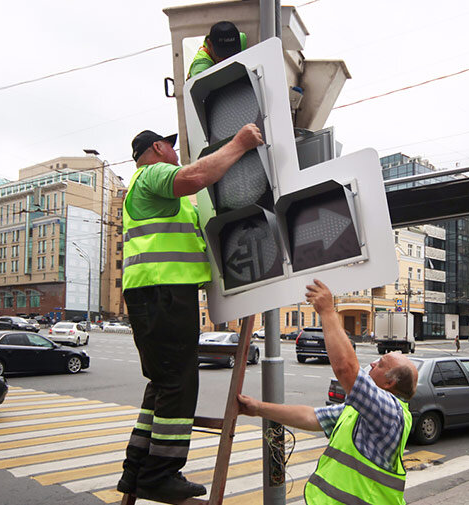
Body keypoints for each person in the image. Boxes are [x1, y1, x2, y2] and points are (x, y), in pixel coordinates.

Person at [117, 124, 263, 501]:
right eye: (171, 147)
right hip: (161, 292)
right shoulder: (152, 175)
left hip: (157, 293)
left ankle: (137, 468)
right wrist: (240, 143)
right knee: (178, 384)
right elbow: (196, 176)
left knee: (163, 384)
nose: (177, 153)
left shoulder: (162, 196)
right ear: (157, 148)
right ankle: (161, 473)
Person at [237, 280, 418, 505]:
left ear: (390, 383)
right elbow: (312, 417)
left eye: (380, 364)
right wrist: (258, 409)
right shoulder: (360, 411)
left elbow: (346, 370)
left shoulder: (391, 412)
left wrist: (327, 311)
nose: (372, 364)